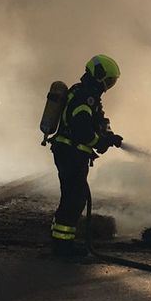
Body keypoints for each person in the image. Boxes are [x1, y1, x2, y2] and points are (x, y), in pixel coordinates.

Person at [49, 54, 122, 258]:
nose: (110, 85)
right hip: (70, 153)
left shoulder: (88, 95)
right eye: (109, 80)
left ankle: (60, 242)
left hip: (71, 153)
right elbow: (82, 129)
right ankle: (63, 248)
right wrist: (99, 142)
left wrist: (109, 136)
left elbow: (98, 120)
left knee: (72, 197)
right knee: (74, 199)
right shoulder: (84, 97)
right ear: (99, 76)